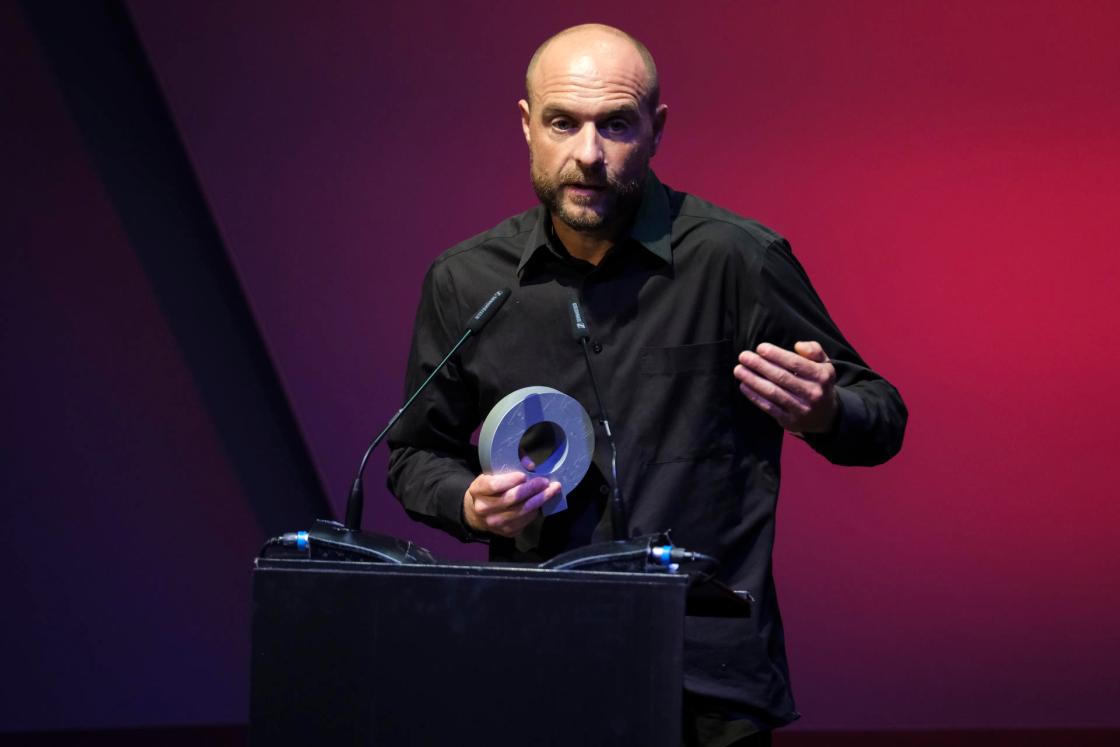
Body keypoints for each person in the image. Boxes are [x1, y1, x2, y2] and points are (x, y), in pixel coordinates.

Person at [387, 23, 907, 746]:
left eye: (616, 125)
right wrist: (469, 504)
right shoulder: (469, 280)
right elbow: (412, 455)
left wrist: (825, 409)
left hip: (708, 680)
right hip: (539, 668)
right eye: (564, 123)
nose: (589, 155)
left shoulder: (735, 260)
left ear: (656, 130)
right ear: (527, 125)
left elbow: (881, 415)